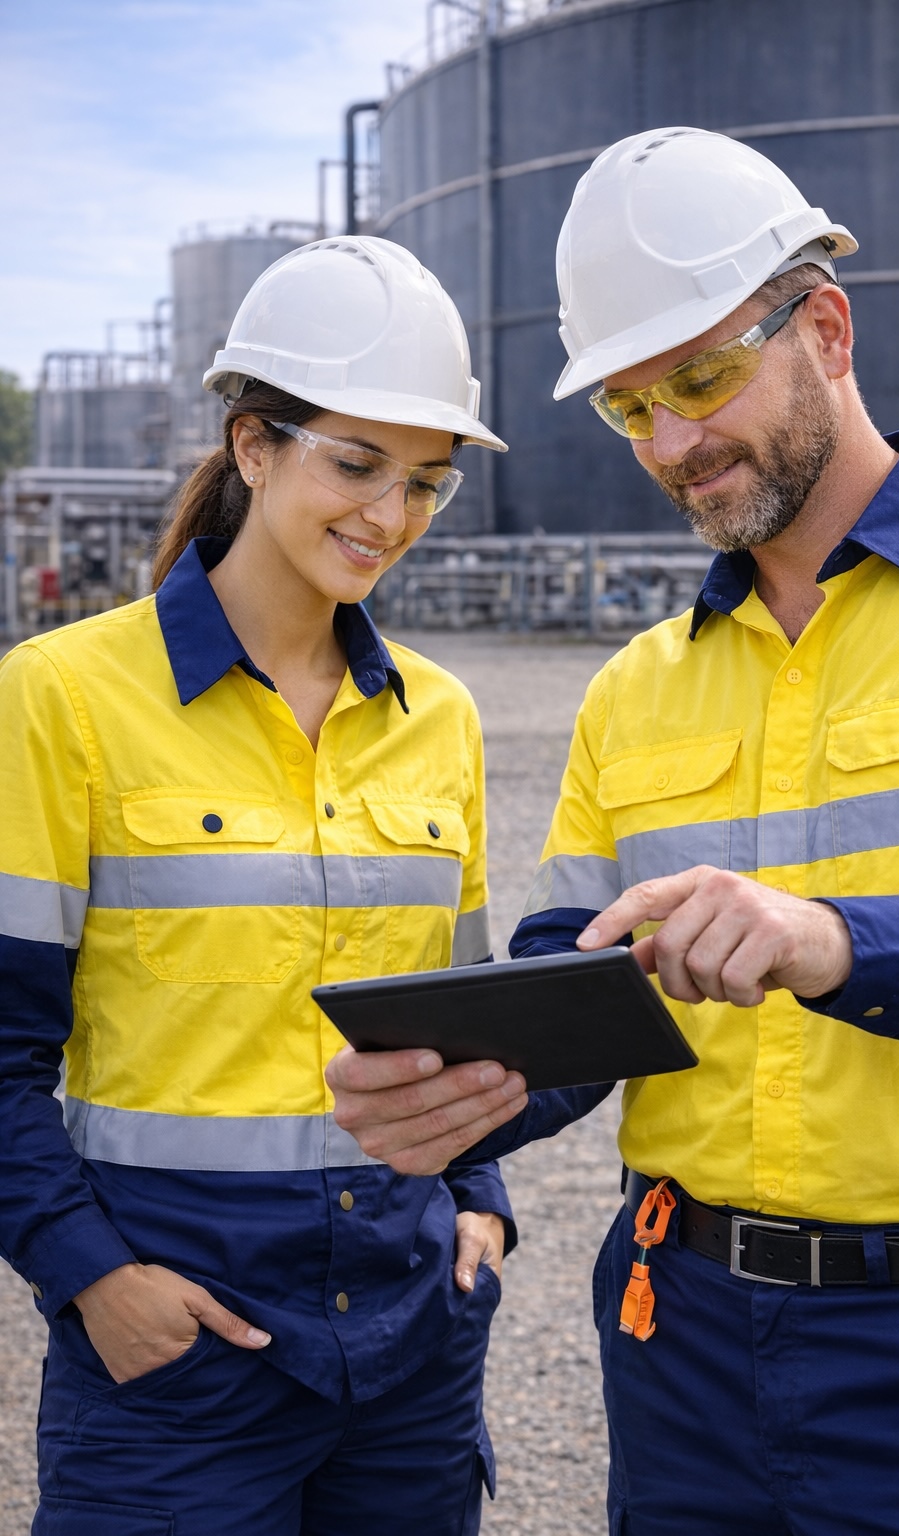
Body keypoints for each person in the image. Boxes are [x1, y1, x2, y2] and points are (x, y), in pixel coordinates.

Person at [327, 128, 899, 1534]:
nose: (673, 444)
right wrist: (466, 1092)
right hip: (681, 1339)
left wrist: (828, 940)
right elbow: (571, 978)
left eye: (701, 380)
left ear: (824, 327)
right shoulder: (634, 689)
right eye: (629, 409)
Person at [0, 235, 515, 1536]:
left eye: (425, 484)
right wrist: (94, 1283)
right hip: (179, 1365)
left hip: (411, 1350)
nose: (388, 518)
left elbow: (465, 1019)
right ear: (251, 446)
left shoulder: (437, 717)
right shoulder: (64, 700)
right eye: (355, 465)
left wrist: (482, 1209)